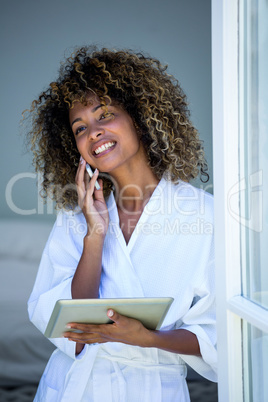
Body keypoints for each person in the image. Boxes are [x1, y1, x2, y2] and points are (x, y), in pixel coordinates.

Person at [26, 46, 217, 402]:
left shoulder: (204, 215)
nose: (93, 132)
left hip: (153, 388)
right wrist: (95, 235)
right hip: (75, 386)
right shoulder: (77, 215)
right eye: (80, 127)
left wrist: (147, 338)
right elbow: (69, 323)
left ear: (140, 118)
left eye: (105, 115)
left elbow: (218, 332)